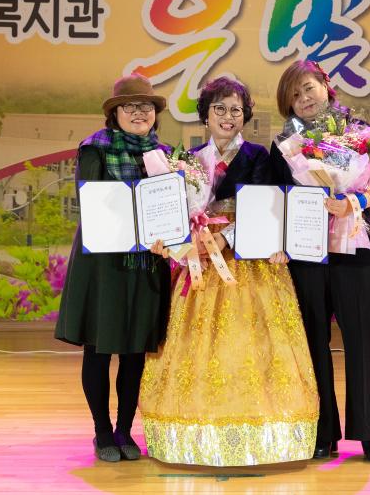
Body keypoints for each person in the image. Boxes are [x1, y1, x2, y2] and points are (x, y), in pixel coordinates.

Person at [140, 76, 318, 466]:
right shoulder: (187, 160)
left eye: (236, 110)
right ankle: (192, 435)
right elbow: (175, 211)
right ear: (205, 115)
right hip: (198, 260)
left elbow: (264, 206)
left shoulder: (259, 156)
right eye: (219, 109)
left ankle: (265, 435)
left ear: (245, 117)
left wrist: (224, 239)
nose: (228, 116)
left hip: (248, 260)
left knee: (250, 345)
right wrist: (177, 239)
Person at [269, 59, 370, 463]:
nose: (304, 99)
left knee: (361, 341)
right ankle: (324, 433)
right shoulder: (284, 145)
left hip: (355, 249)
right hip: (307, 256)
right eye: (294, 95)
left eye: (308, 88)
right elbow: (276, 200)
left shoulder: (359, 133)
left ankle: (369, 434)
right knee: (313, 342)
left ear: (325, 85)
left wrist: (353, 201)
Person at [54, 74, 173, 462]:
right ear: (115, 113)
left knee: (135, 351)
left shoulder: (164, 155)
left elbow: (172, 209)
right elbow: (92, 205)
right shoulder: (95, 149)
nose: (139, 113)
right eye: (130, 106)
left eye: (146, 106)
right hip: (104, 265)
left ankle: (124, 430)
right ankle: (102, 431)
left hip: (145, 263)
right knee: (99, 349)